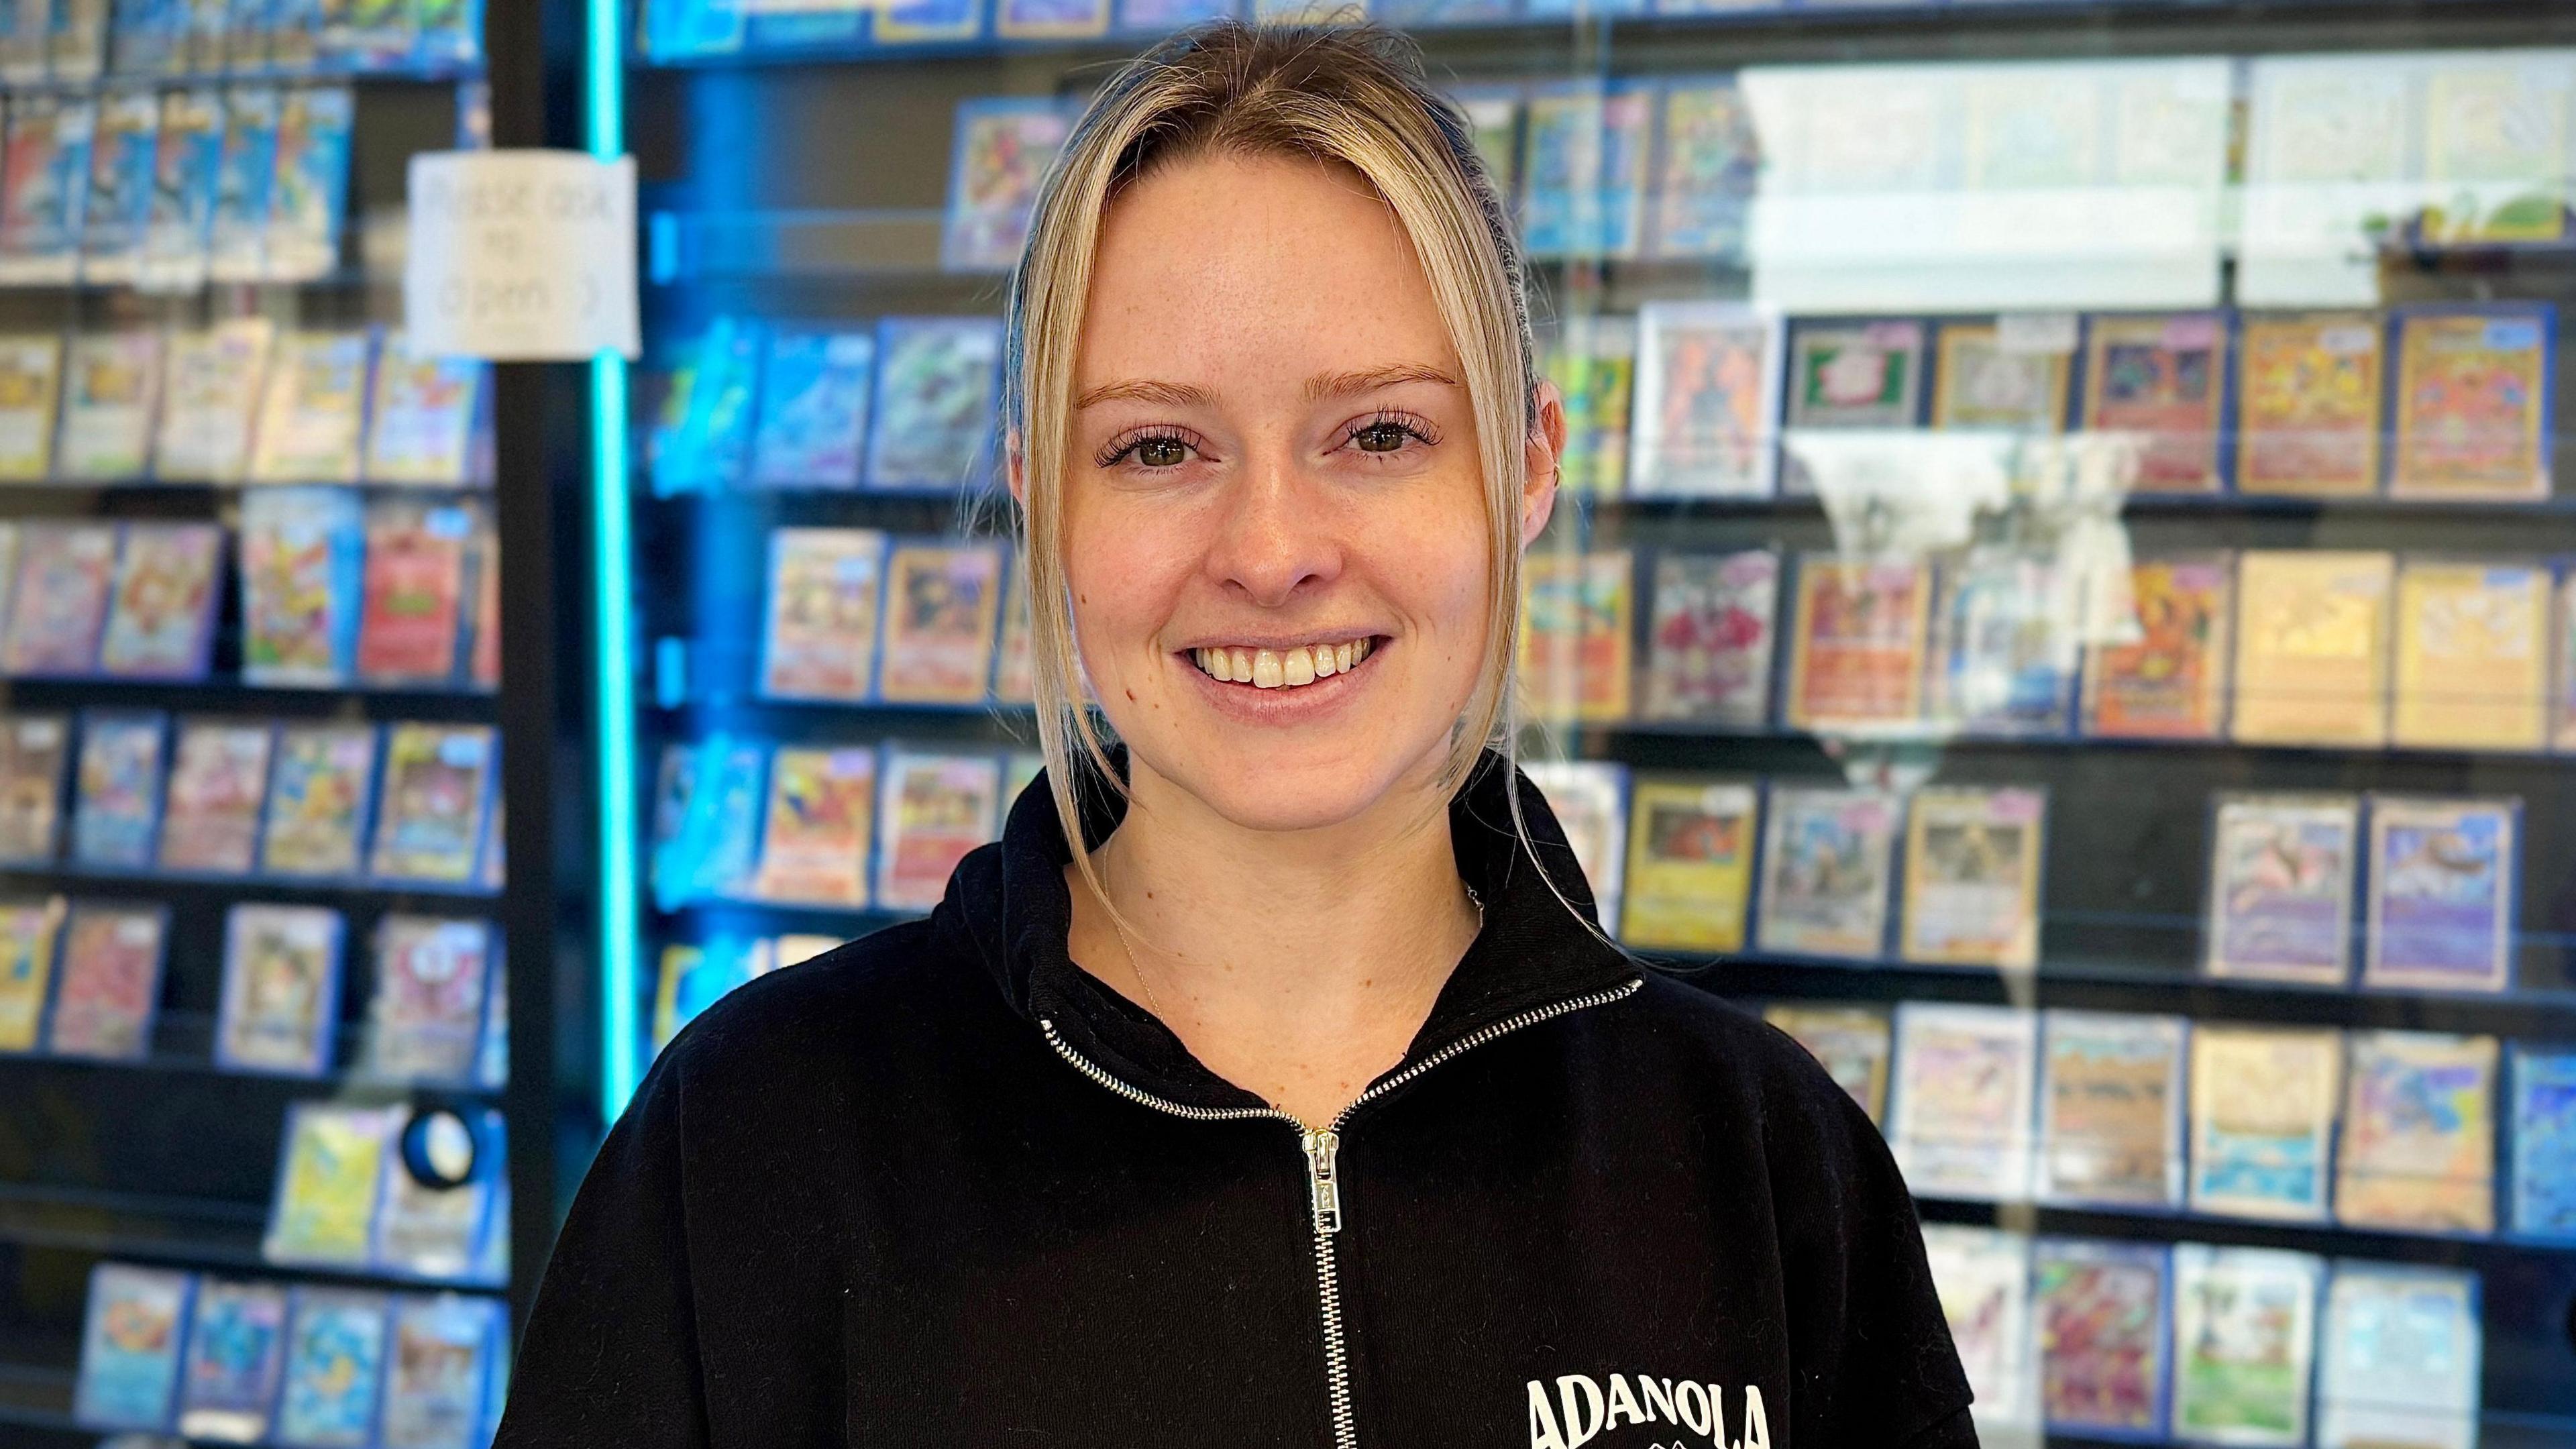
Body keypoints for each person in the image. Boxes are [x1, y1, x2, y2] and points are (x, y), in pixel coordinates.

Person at [494, 21, 1974, 1448]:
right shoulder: (752, 1142)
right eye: (1157, 447)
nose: (1271, 551)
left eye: (1380, 433)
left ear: (1527, 467)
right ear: (1039, 494)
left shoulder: (1763, 1159)